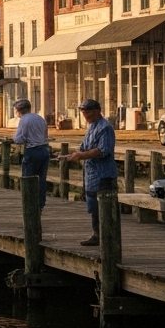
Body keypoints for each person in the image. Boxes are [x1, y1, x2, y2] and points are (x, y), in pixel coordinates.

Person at [64, 99, 115, 246]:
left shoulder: (105, 128)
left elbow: (102, 150)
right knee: (92, 205)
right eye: (83, 111)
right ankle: (97, 234)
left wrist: (81, 156)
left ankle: (106, 236)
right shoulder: (91, 127)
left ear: (97, 111)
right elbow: (85, 148)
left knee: (103, 206)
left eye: (87, 111)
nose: (85, 114)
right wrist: (71, 155)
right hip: (91, 173)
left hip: (103, 174)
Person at [12, 98, 50, 209]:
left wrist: (14, 139)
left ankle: (29, 205)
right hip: (44, 150)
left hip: (33, 150)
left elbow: (20, 138)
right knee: (41, 180)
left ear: (19, 110)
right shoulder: (40, 118)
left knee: (28, 179)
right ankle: (40, 204)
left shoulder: (24, 120)